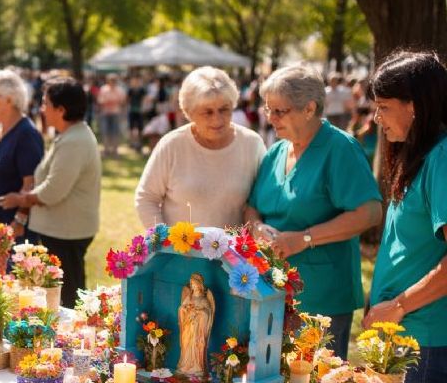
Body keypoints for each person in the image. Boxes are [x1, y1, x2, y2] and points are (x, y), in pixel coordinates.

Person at [244, 64, 382, 359]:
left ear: (309, 108)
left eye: (280, 111)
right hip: (271, 291)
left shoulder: (340, 148)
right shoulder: (276, 152)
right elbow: (252, 206)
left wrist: (304, 238)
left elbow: (369, 212)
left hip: (323, 298)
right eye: (269, 110)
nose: (271, 118)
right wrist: (256, 227)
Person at [365, 52, 447, 383]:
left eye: (383, 106)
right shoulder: (418, 154)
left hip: (423, 339)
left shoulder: (442, 158)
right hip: (399, 332)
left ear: (414, 105)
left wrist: (398, 305)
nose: (376, 118)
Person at [0, 76, 101, 307]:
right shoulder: (70, 136)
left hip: (67, 232)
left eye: (45, 103)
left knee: (67, 297)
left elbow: (54, 190)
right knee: (60, 293)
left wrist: (20, 199)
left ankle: (72, 340)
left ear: (61, 109)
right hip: (63, 230)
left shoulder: (75, 141)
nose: (42, 109)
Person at [135, 66, 266, 229]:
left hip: (234, 253)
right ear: (189, 112)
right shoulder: (172, 145)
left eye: (224, 110)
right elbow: (147, 198)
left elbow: (264, 200)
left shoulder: (252, 144)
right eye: (208, 112)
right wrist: (164, 241)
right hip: (179, 252)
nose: (217, 120)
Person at [0, 70, 44, 239]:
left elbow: (32, 184)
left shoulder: (26, 134)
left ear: (9, 100)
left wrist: (19, 220)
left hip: (13, 231)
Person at [97, 73, 126, 156]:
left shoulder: (120, 90)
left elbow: (123, 101)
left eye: (114, 80)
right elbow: (100, 101)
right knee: (105, 132)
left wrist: (114, 101)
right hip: (105, 113)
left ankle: (115, 150)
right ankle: (106, 150)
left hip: (115, 113)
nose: (112, 82)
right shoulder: (103, 89)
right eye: (111, 80)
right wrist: (107, 101)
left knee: (115, 132)